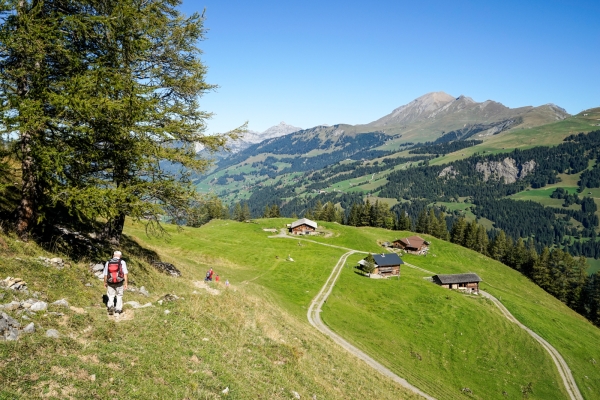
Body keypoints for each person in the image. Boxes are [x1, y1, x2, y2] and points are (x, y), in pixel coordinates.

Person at [103, 251, 128, 315]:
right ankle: (118, 309)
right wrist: (126, 283)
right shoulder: (122, 262)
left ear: (113, 255)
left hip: (110, 281)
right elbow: (125, 273)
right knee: (119, 295)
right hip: (119, 281)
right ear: (120, 256)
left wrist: (105, 282)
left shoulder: (108, 262)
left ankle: (110, 306)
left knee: (111, 295)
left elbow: (105, 274)